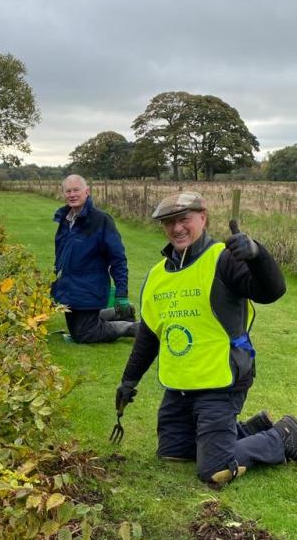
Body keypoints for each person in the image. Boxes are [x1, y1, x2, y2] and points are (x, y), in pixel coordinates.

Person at [115, 190, 297, 485]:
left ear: (203, 217)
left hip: (221, 381)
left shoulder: (224, 259)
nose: (177, 228)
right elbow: (149, 335)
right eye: (169, 222)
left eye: (184, 219)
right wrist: (128, 381)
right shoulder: (156, 275)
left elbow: (272, 291)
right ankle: (250, 429)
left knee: (214, 469)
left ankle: (283, 434)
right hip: (181, 386)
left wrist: (257, 256)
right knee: (173, 454)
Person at [52, 174, 137, 343]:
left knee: (84, 334)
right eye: (68, 191)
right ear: (64, 194)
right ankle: (119, 313)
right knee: (77, 330)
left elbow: (117, 259)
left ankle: (132, 328)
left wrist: (121, 293)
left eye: (76, 190)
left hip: (89, 287)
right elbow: (60, 256)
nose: (72, 194)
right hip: (69, 288)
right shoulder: (65, 220)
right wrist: (54, 285)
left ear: (87, 192)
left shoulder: (101, 220)